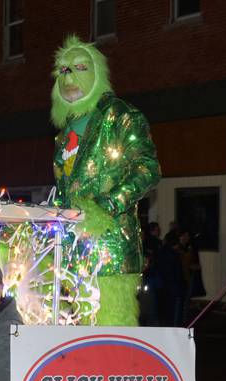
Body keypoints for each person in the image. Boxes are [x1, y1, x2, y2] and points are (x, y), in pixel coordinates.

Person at [50, 35, 161, 326]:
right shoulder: (63, 135)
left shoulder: (120, 115)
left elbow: (148, 169)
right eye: (62, 70)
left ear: (97, 73)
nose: (68, 76)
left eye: (79, 67)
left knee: (112, 334)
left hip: (110, 252)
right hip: (71, 257)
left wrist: (106, 206)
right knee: (73, 334)